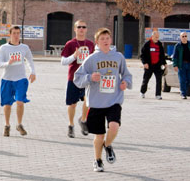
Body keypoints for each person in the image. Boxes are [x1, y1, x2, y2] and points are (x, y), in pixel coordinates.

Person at [74, 28, 132, 172]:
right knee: (99, 135)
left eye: (107, 38)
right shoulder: (92, 58)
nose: (105, 41)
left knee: (114, 126)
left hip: (114, 100)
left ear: (111, 40)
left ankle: (108, 144)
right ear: (97, 42)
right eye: (102, 39)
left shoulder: (118, 57)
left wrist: (125, 83)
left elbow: (127, 75)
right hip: (96, 102)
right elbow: (77, 77)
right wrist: (89, 77)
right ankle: (98, 160)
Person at [0, 26, 36, 137]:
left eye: (18, 33)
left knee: (20, 102)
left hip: (21, 79)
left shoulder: (24, 47)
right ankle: (7, 125)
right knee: (7, 105)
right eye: (14, 33)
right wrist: (8, 63)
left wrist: (33, 72)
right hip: (7, 79)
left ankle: (19, 124)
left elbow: (30, 61)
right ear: (10, 34)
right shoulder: (3, 48)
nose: (16, 35)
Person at [61, 20, 95, 138]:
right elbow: (63, 61)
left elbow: (94, 59)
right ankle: (71, 125)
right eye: (79, 27)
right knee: (72, 104)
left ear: (86, 29)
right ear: (75, 29)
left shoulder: (91, 44)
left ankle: (83, 120)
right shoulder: (70, 44)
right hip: (74, 77)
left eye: (83, 27)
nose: (81, 29)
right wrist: (74, 56)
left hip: (87, 77)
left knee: (88, 101)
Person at [140, 30, 166, 100]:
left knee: (159, 80)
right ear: (152, 36)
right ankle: (142, 92)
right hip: (149, 65)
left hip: (157, 66)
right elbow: (142, 55)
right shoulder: (147, 44)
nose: (157, 38)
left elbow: (162, 55)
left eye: (158, 37)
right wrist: (144, 63)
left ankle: (158, 94)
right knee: (146, 80)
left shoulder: (160, 44)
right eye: (156, 37)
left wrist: (164, 63)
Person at [173, 31, 190, 99]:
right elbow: (175, 56)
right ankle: (183, 93)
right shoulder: (178, 46)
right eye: (183, 36)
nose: (184, 37)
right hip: (181, 64)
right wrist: (175, 65)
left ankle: (185, 91)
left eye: (185, 36)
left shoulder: (189, 44)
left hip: (189, 64)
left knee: (188, 80)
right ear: (180, 37)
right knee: (182, 80)